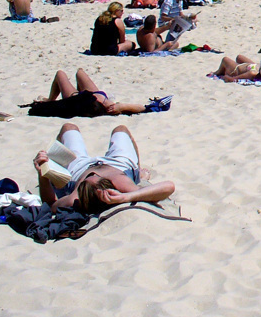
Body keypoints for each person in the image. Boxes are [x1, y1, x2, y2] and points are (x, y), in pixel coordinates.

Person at [35, 122, 175, 215]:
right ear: (105, 183)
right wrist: (126, 197)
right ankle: (138, 175)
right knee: (121, 129)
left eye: (87, 179)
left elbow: (50, 204)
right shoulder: (122, 185)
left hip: (79, 168)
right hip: (118, 164)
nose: (92, 174)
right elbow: (169, 186)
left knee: (68, 128)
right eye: (92, 177)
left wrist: (43, 174)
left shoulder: (76, 197)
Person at [35, 69, 170, 114]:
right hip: (97, 97)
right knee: (80, 72)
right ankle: (52, 98)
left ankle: (50, 99)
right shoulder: (110, 107)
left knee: (60, 74)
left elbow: (143, 108)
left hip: (80, 99)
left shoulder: (110, 107)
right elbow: (144, 108)